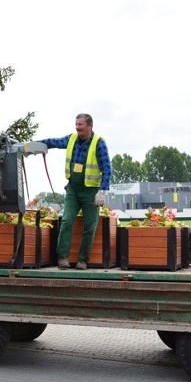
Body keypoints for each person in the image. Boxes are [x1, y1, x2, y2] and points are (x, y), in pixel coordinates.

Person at [37, 113, 111, 270]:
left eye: (81, 125)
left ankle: (83, 260)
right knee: (66, 220)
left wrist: (102, 191)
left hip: (91, 192)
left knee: (90, 226)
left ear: (89, 126)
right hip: (73, 190)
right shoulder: (71, 139)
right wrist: (36, 145)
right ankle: (62, 257)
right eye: (76, 124)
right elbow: (53, 142)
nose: (77, 127)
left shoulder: (99, 143)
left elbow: (107, 168)